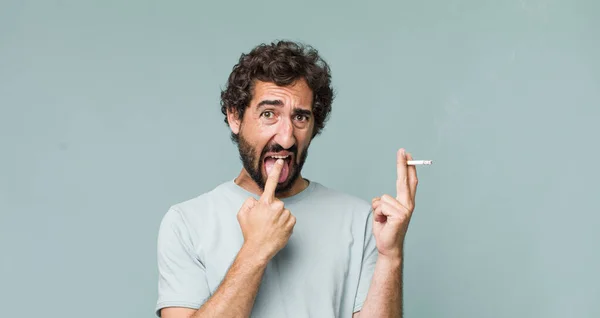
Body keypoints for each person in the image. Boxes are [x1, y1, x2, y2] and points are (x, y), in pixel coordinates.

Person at [155, 40, 419, 318]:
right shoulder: (185, 222)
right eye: (269, 114)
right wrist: (256, 249)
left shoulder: (361, 220)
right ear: (235, 117)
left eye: (300, 117)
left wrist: (391, 256)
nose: (286, 137)